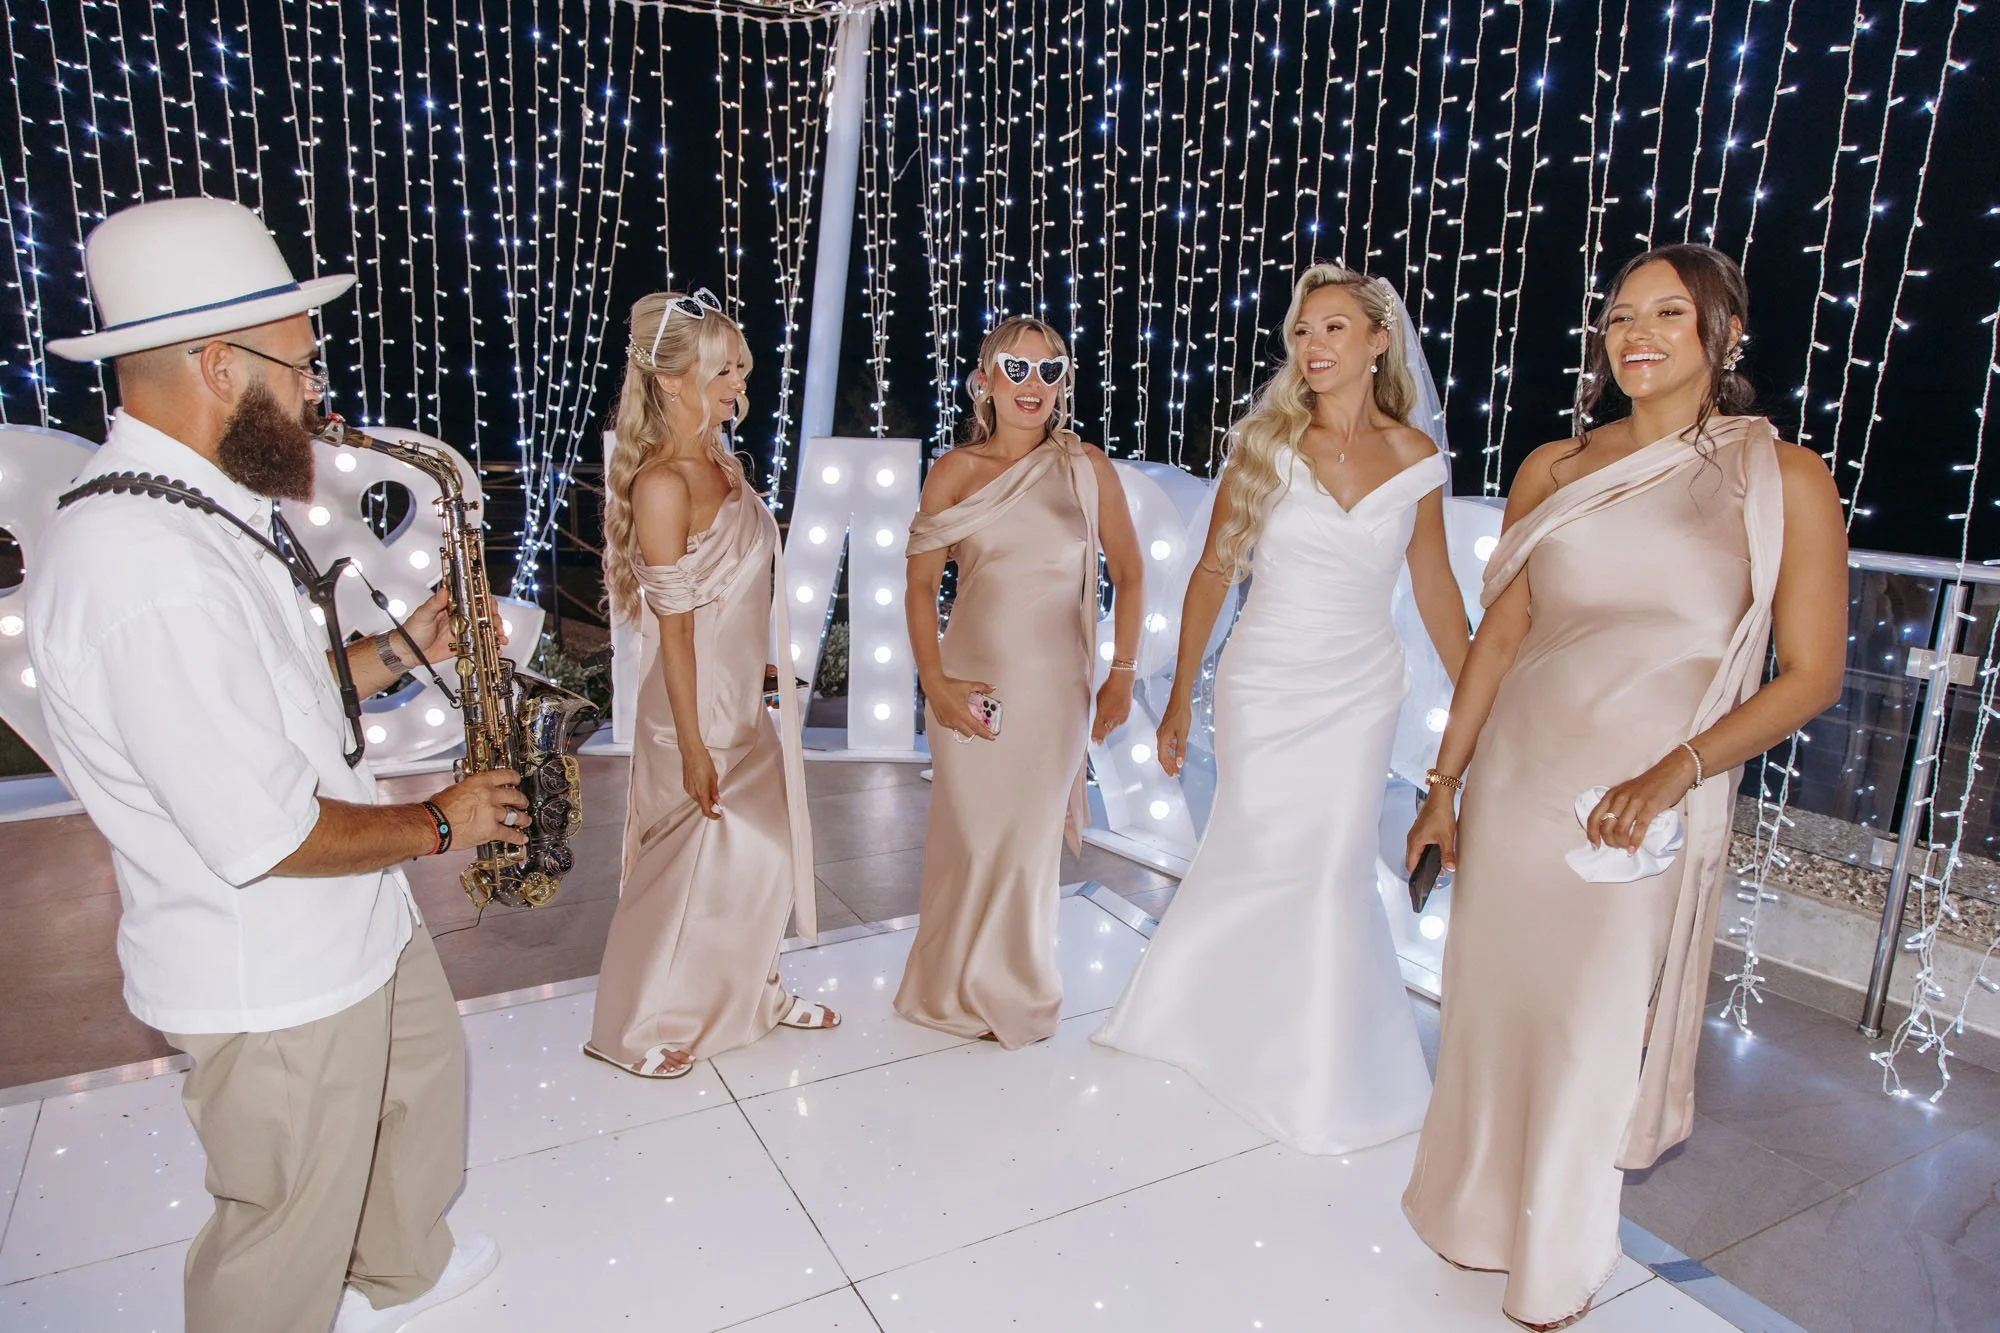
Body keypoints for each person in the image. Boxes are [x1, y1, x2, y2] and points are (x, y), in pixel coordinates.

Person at [27, 197, 517, 1333]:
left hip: (344, 921)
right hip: (272, 963)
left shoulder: (201, 506)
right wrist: (444, 822)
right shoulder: (138, 566)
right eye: (299, 364)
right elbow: (264, 831)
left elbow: (263, 693)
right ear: (215, 363)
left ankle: (398, 1274)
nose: (315, 390)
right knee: (282, 1222)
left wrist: (401, 651)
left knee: (416, 1086)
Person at [1400, 244, 1847, 1330]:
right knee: (1495, 1010)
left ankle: (1553, 1259)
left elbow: (1814, 675)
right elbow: (1502, 634)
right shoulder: (1552, 466)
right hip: (1517, 778)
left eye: (1667, 314)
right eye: (1616, 315)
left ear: (1721, 334)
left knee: (1591, 1025)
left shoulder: (1778, 477)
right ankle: (1468, 1212)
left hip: (1641, 801)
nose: (1634, 333)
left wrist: (1672, 770)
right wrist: (1443, 783)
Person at [1092, 265, 1466, 1153]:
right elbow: (1215, 571)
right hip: (1264, 680)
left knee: (1330, 864)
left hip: (1360, 687)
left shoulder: (1416, 459)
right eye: (1303, 331)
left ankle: (1319, 1064)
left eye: (1334, 328)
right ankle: (1202, 1019)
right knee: (1255, 850)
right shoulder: (1265, 442)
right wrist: (1179, 692)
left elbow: (1437, 586)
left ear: (1379, 341)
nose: (1314, 346)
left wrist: (1483, 693)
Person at [586, 289, 836, 1080]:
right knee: (678, 877)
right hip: (690, 712)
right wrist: (692, 744)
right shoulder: (663, 485)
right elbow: (678, 630)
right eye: (723, 369)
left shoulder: (721, 461)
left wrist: (761, 667)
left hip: (741, 701)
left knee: (762, 855)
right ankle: (629, 1029)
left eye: (739, 367)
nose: (739, 382)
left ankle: (757, 991)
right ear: (670, 380)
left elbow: (734, 593)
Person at [895, 316, 1144, 1048]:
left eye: (1050, 370)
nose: (1032, 386)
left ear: (1064, 383)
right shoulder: (954, 470)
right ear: (985, 379)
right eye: (1016, 368)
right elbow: (918, 588)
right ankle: (946, 986)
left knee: (1028, 841)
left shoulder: (1085, 468)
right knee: (971, 836)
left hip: (1055, 693)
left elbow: (1129, 574)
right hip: (970, 680)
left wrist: (1121, 673)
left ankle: (1017, 989)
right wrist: (933, 681)